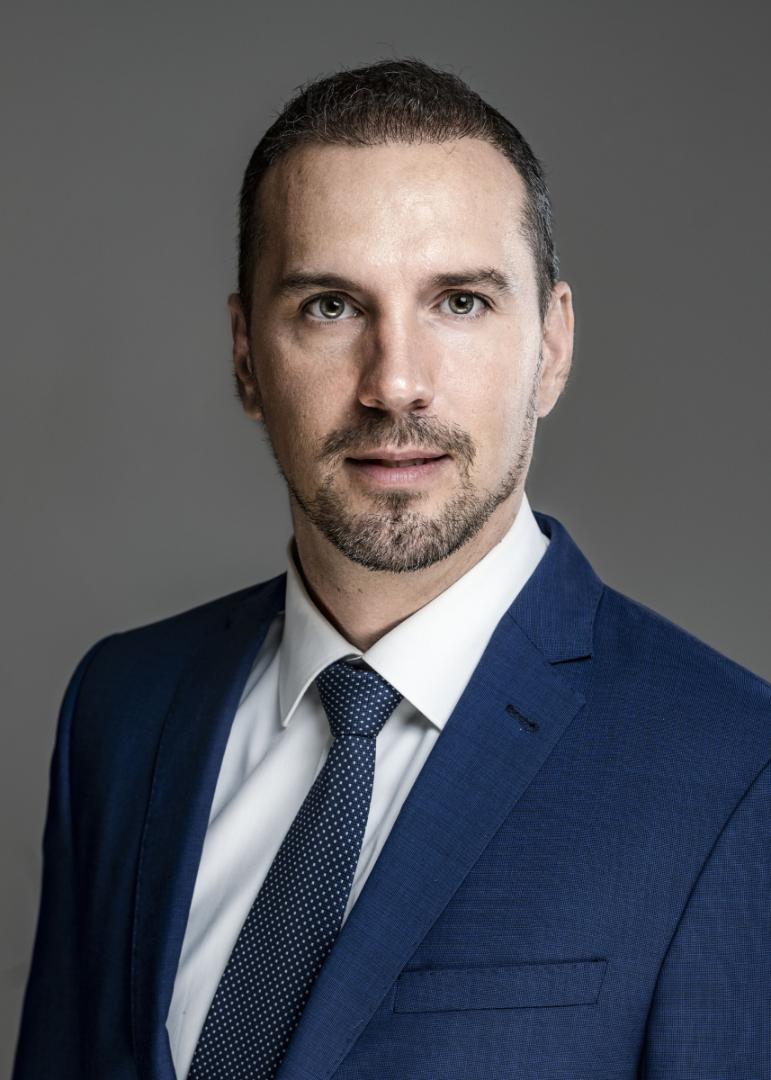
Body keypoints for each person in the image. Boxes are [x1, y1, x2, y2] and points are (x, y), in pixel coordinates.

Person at [13, 57, 771, 1080]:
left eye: (459, 301)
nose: (395, 383)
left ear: (551, 346)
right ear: (245, 354)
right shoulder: (122, 709)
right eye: (330, 307)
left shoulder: (734, 771)